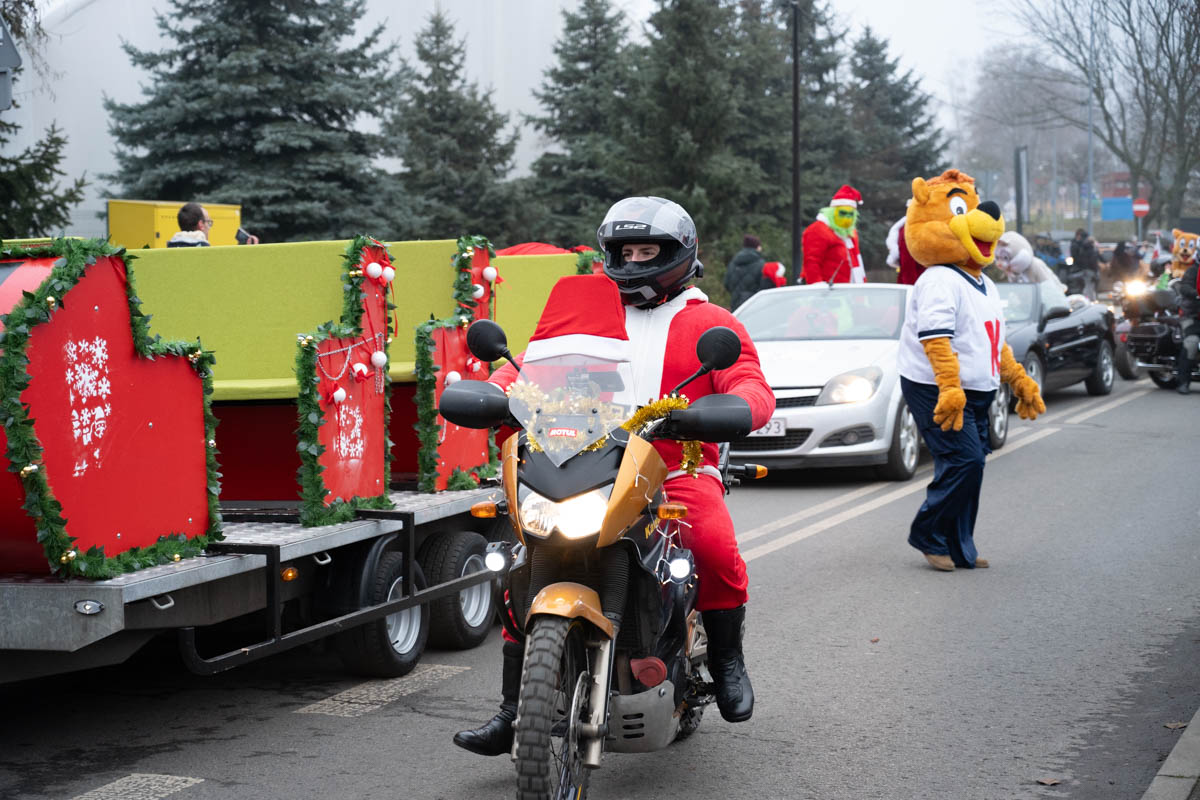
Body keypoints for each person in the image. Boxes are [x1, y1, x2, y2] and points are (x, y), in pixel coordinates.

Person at [452, 196, 775, 757]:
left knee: (713, 545)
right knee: (529, 558)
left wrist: (737, 406)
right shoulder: (587, 315)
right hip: (578, 461)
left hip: (672, 468)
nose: (634, 261)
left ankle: (727, 661)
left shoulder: (711, 321)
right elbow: (530, 369)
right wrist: (498, 393)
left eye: (647, 251)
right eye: (625, 251)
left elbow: (748, 381)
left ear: (679, 253)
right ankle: (513, 708)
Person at [897, 169, 1044, 572]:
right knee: (966, 461)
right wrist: (949, 387)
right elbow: (935, 339)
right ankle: (927, 533)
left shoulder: (985, 283)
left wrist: (1019, 379)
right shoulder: (938, 279)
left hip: (976, 388)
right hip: (937, 387)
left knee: (971, 466)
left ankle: (960, 545)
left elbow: (995, 342)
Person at [801, 185, 866, 285]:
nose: (847, 218)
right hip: (829, 290)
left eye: (851, 214)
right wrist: (817, 285)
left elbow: (856, 262)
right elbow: (811, 261)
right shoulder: (818, 230)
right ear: (833, 212)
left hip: (850, 288)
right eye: (842, 213)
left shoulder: (850, 233)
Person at [993, 231, 1063, 287]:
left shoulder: (1035, 265)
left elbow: (1048, 286)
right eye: (997, 258)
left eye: (1005, 257)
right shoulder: (1011, 272)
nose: (1000, 263)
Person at [724, 234, 767, 309]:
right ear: (757, 247)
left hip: (736, 305)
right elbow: (764, 287)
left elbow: (727, 284)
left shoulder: (734, 262)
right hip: (754, 305)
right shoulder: (761, 264)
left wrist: (737, 293)